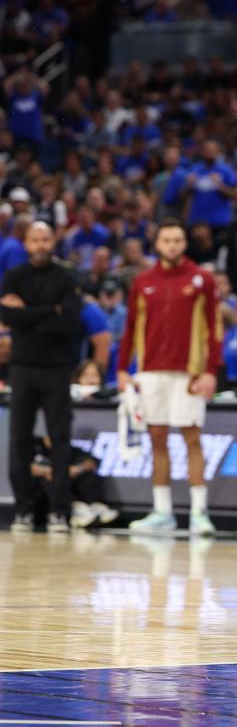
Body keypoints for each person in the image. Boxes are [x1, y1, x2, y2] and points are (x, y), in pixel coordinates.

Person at [116, 220, 223, 535]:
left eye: (178, 239)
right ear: (158, 244)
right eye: (167, 240)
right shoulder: (142, 281)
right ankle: (162, 512)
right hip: (150, 372)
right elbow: (130, 326)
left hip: (189, 373)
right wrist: (123, 368)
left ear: (184, 243)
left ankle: (199, 514)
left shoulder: (202, 279)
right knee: (157, 439)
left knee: (192, 439)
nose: (172, 245)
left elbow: (215, 328)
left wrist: (210, 371)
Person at [2, 222, 82, 533]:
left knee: (59, 439)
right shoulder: (13, 276)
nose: (40, 244)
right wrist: (51, 310)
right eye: (35, 239)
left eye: (45, 239)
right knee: (19, 439)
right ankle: (22, 508)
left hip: (57, 368)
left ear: (53, 242)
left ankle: (59, 511)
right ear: (26, 243)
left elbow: (71, 322)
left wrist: (28, 316)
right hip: (21, 367)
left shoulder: (65, 277)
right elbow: (8, 317)